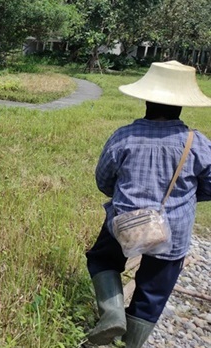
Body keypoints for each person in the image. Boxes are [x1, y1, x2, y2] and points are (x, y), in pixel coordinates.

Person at [85, 60, 211, 347]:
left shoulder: (124, 136)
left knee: (102, 259)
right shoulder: (198, 144)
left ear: (146, 98)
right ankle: (130, 344)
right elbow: (209, 186)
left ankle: (113, 313)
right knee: (153, 292)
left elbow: (104, 181)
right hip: (174, 232)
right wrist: (184, 200)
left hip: (125, 224)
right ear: (182, 104)